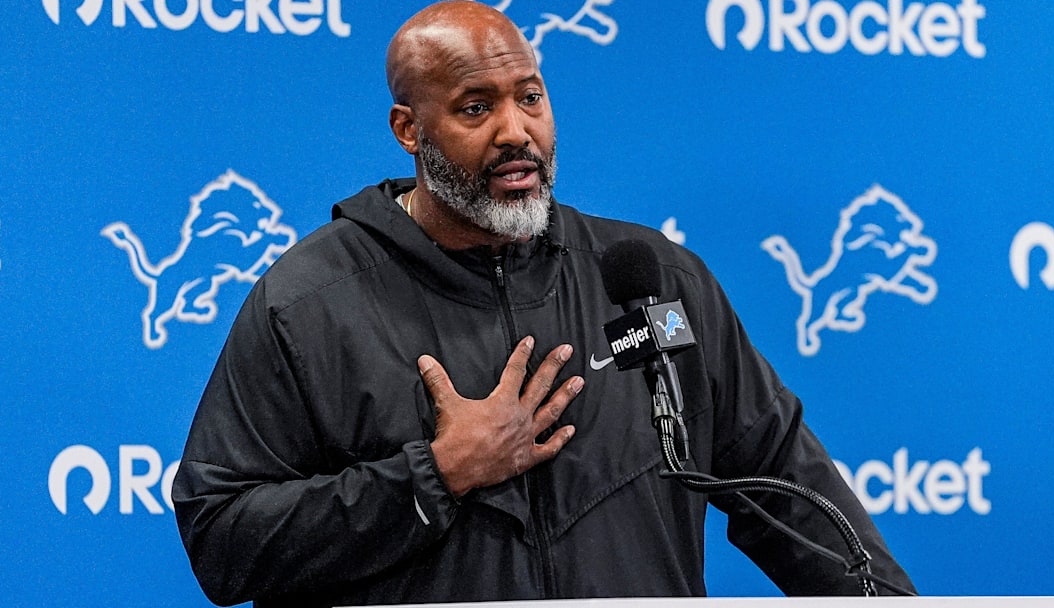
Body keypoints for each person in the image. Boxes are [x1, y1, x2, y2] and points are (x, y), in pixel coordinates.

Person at [172, 2, 915, 606]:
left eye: (530, 97)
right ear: (409, 131)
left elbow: (783, 478)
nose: (516, 132)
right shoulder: (310, 303)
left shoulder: (651, 276)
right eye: (475, 108)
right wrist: (435, 475)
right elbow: (223, 539)